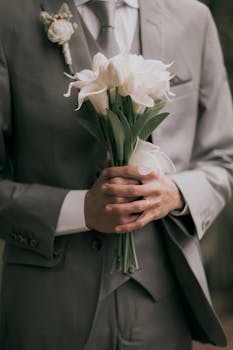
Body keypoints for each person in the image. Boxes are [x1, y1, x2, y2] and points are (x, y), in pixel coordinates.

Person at [0, 0, 232, 349]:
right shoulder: (8, 17)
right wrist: (81, 210)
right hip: (47, 311)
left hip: (162, 307)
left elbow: (223, 158)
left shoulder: (192, 17)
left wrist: (175, 192)